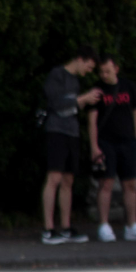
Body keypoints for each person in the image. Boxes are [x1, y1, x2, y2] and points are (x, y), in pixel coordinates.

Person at [40, 49, 103, 244]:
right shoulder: (57, 75)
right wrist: (83, 99)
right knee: (54, 177)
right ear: (79, 59)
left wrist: (84, 101)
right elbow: (56, 103)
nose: (88, 71)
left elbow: (72, 106)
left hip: (72, 133)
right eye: (88, 66)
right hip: (56, 131)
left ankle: (66, 227)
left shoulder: (75, 81)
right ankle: (48, 229)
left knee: (68, 180)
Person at [89, 53, 136, 244]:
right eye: (102, 72)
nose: (105, 75)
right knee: (106, 183)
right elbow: (92, 120)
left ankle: (132, 225)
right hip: (106, 142)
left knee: (130, 183)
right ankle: (104, 225)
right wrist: (94, 146)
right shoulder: (97, 91)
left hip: (127, 141)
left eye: (108, 71)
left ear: (116, 69)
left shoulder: (128, 87)